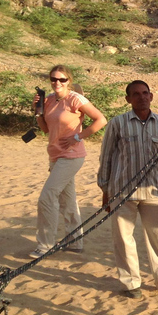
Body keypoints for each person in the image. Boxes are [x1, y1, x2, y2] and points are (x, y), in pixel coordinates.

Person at [97, 80, 158, 299]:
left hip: (153, 191)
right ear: (128, 99)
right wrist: (105, 189)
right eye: (136, 94)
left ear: (151, 96)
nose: (141, 97)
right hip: (122, 191)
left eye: (145, 93)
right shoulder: (117, 123)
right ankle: (131, 282)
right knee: (124, 239)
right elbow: (106, 157)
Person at [30, 65, 107, 258]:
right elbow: (46, 130)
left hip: (72, 155)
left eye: (62, 79)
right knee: (67, 200)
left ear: (68, 81)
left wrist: (78, 137)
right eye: (54, 79)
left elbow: (101, 120)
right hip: (55, 154)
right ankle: (75, 241)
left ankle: (44, 245)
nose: (57, 83)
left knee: (47, 197)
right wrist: (37, 111)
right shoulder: (48, 99)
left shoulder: (75, 98)